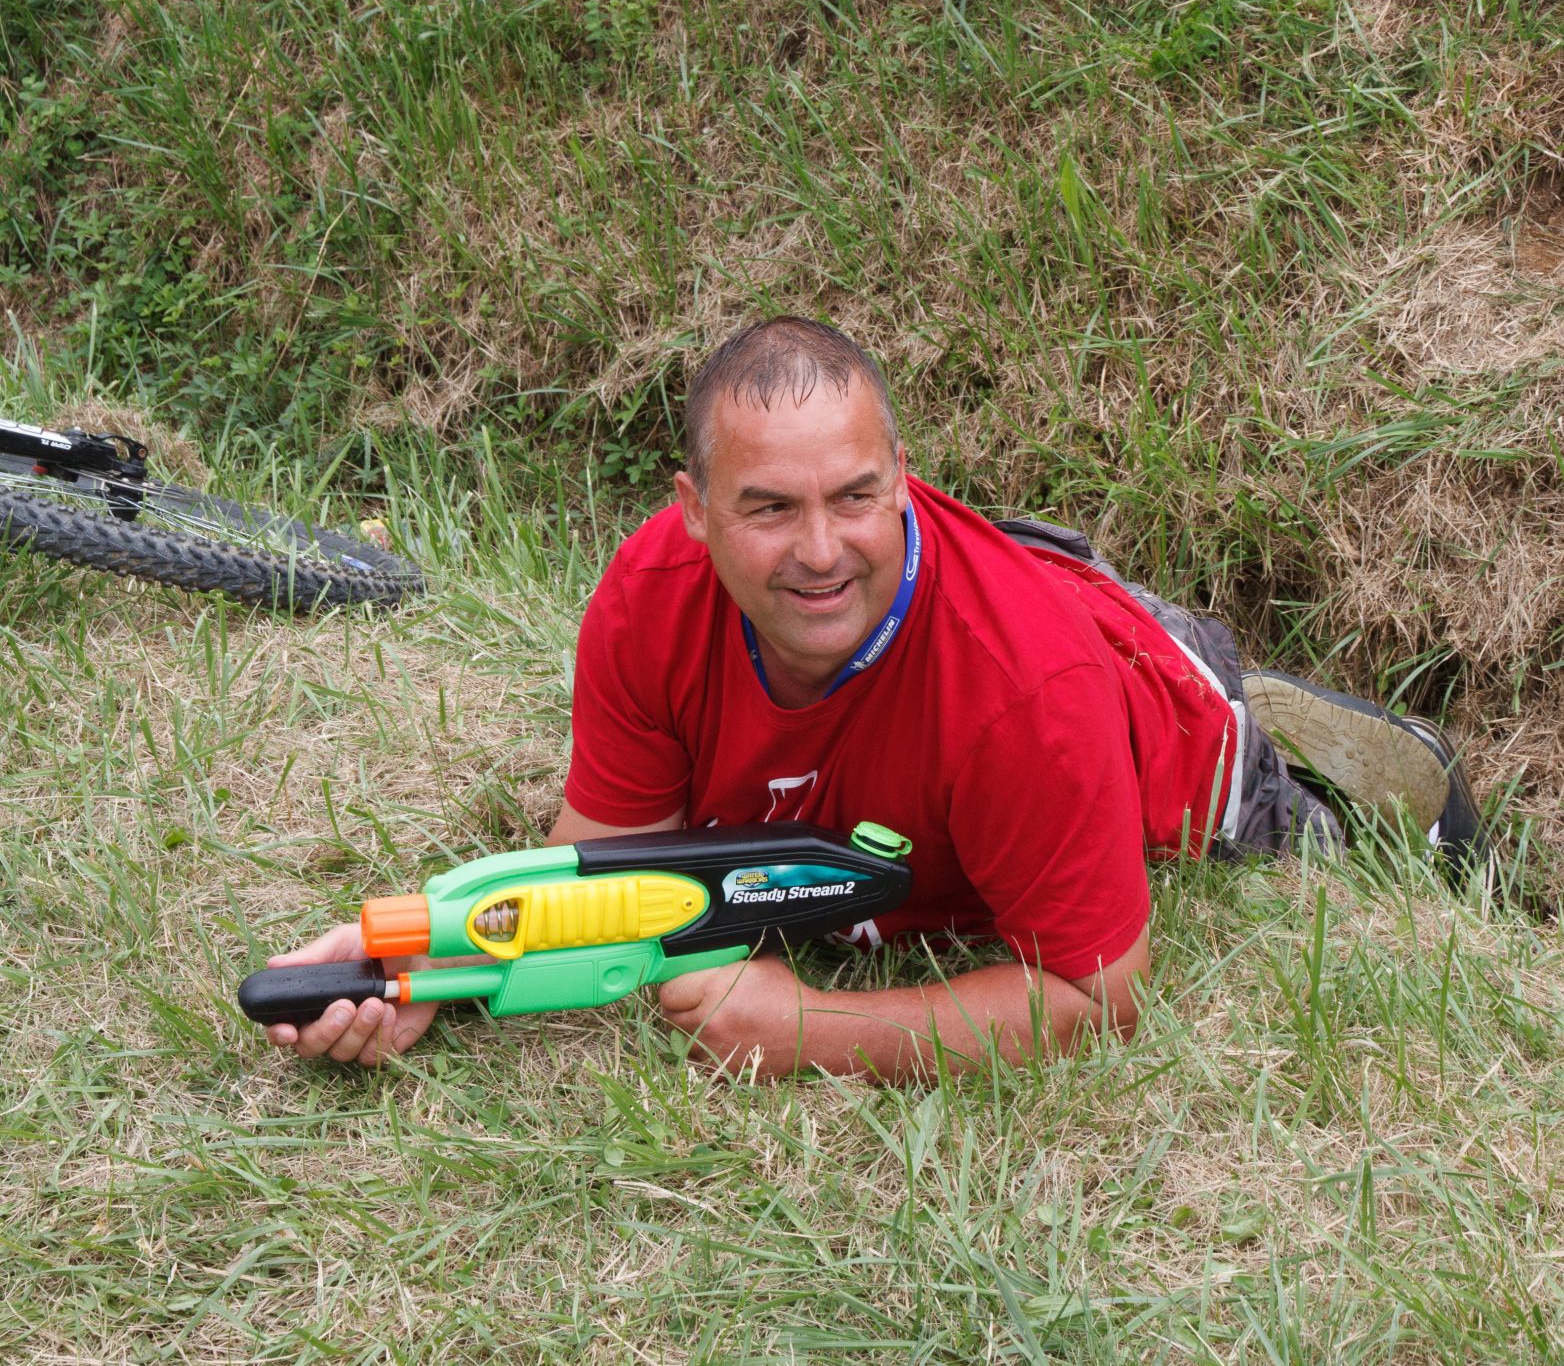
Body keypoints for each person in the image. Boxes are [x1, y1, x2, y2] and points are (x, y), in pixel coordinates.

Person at [261, 318, 1484, 1081]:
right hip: (1004, 655)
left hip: (1157, 733)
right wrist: (419, 963)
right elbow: (613, 864)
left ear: (905, 477)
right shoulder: (647, 591)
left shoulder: (1025, 695)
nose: (820, 549)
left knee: (1362, 836)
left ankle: (1262, 709)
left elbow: (1094, 991)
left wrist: (808, 1033)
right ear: (691, 507)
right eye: (769, 507)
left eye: (855, 496)